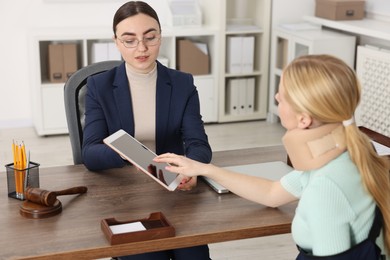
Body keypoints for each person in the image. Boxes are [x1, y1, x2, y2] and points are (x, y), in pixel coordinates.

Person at [155, 55, 390, 259]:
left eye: (284, 95)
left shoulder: (326, 187)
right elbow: (272, 194)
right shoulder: (346, 152)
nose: (277, 97)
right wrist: (205, 169)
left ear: (304, 119)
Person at [82, 1, 212, 259]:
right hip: (125, 196)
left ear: (160, 37)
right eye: (129, 40)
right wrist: (126, 153)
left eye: (150, 37)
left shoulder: (182, 83)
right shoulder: (99, 86)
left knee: (194, 255)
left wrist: (191, 169)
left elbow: (199, 145)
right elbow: (90, 153)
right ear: (117, 42)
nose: (141, 48)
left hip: (172, 190)